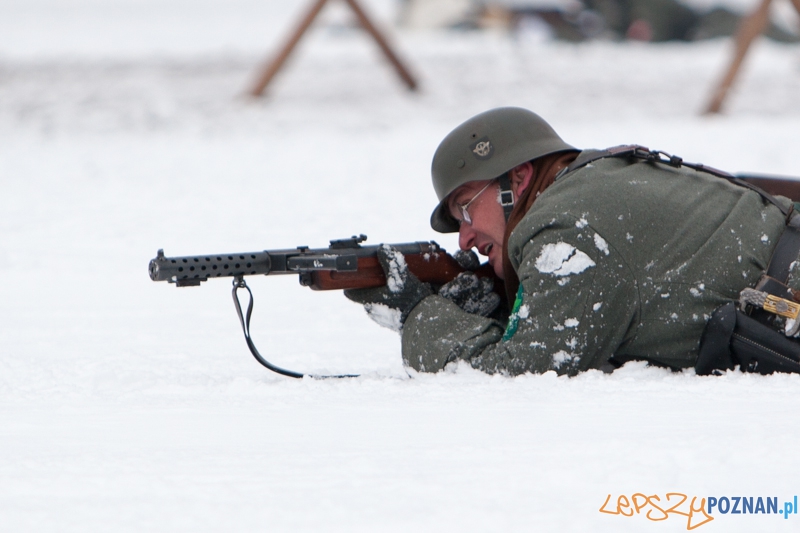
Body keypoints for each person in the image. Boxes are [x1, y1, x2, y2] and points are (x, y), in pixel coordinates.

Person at [346, 107, 800, 376]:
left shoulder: (565, 229)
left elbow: (524, 372)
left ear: (518, 179)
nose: (464, 237)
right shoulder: (595, 180)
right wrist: (503, 308)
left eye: (466, 207)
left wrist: (420, 317)